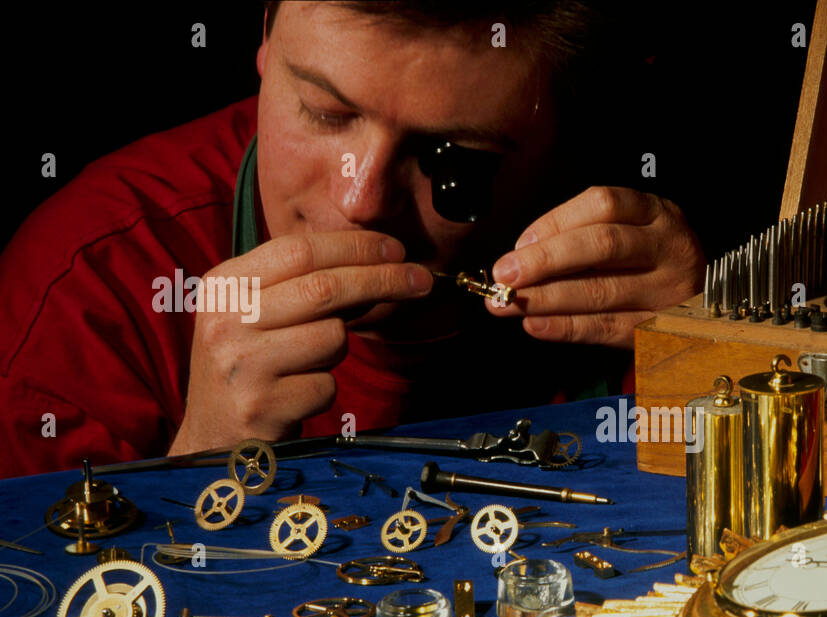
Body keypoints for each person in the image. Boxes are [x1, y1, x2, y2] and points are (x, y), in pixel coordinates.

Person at [0, 1, 703, 477]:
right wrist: (204, 460)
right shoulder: (85, 292)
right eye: (325, 112)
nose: (359, 198)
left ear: (561, 141)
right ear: (267, 39)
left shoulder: (646, 266)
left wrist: (717, 358)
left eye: (449, 153)